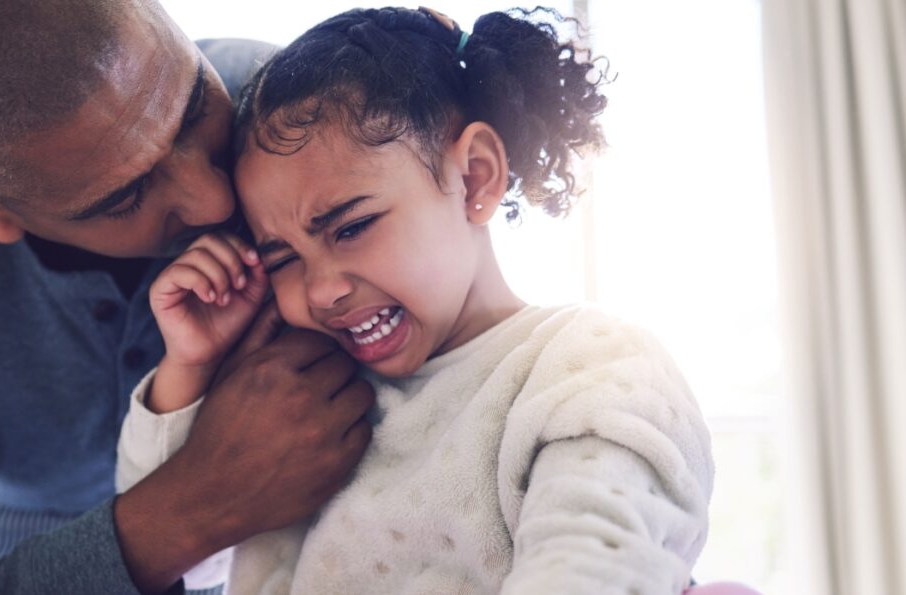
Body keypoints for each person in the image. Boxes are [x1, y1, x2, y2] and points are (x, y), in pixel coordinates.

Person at [0, 1, 374, 593]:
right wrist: (198, 505)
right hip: (5, 555)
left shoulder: (295, 114)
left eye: (192, 110)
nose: (215, 202)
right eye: (125, 198)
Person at [117, 6, 714, 594]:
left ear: (475, 177)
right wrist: (190, 367)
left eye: (352, 227)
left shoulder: (590, 367)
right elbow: (184, 566)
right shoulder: (305, 397)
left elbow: (595, 567)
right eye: (282, 259)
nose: (322, 290)